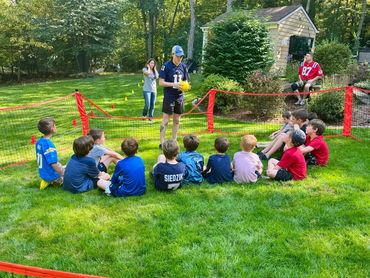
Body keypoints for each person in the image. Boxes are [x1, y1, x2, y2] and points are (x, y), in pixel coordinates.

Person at [159, 45, 189, 149]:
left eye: (181, 56)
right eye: (178, 56)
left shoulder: (184, 66)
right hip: (169, 96)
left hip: (179, 97)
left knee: (177, 120)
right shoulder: (166, 66)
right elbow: (161, 83)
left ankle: (174, 141)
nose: (180, 58)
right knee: (166, 121)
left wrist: (185, 87)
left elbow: (186, 81)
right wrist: (174, 84)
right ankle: (162, 142)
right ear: (173, 55)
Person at [36, 117, 64, 190]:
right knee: (74, 172)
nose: (56, 126)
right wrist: (62, 173)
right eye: (55, 125)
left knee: (66, 166)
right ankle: (56, 181)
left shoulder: (39, 142)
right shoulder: (48, 146)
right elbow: (53, 164)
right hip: (52, 175)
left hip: (44, 173)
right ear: (52, 129)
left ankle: (49, 180)